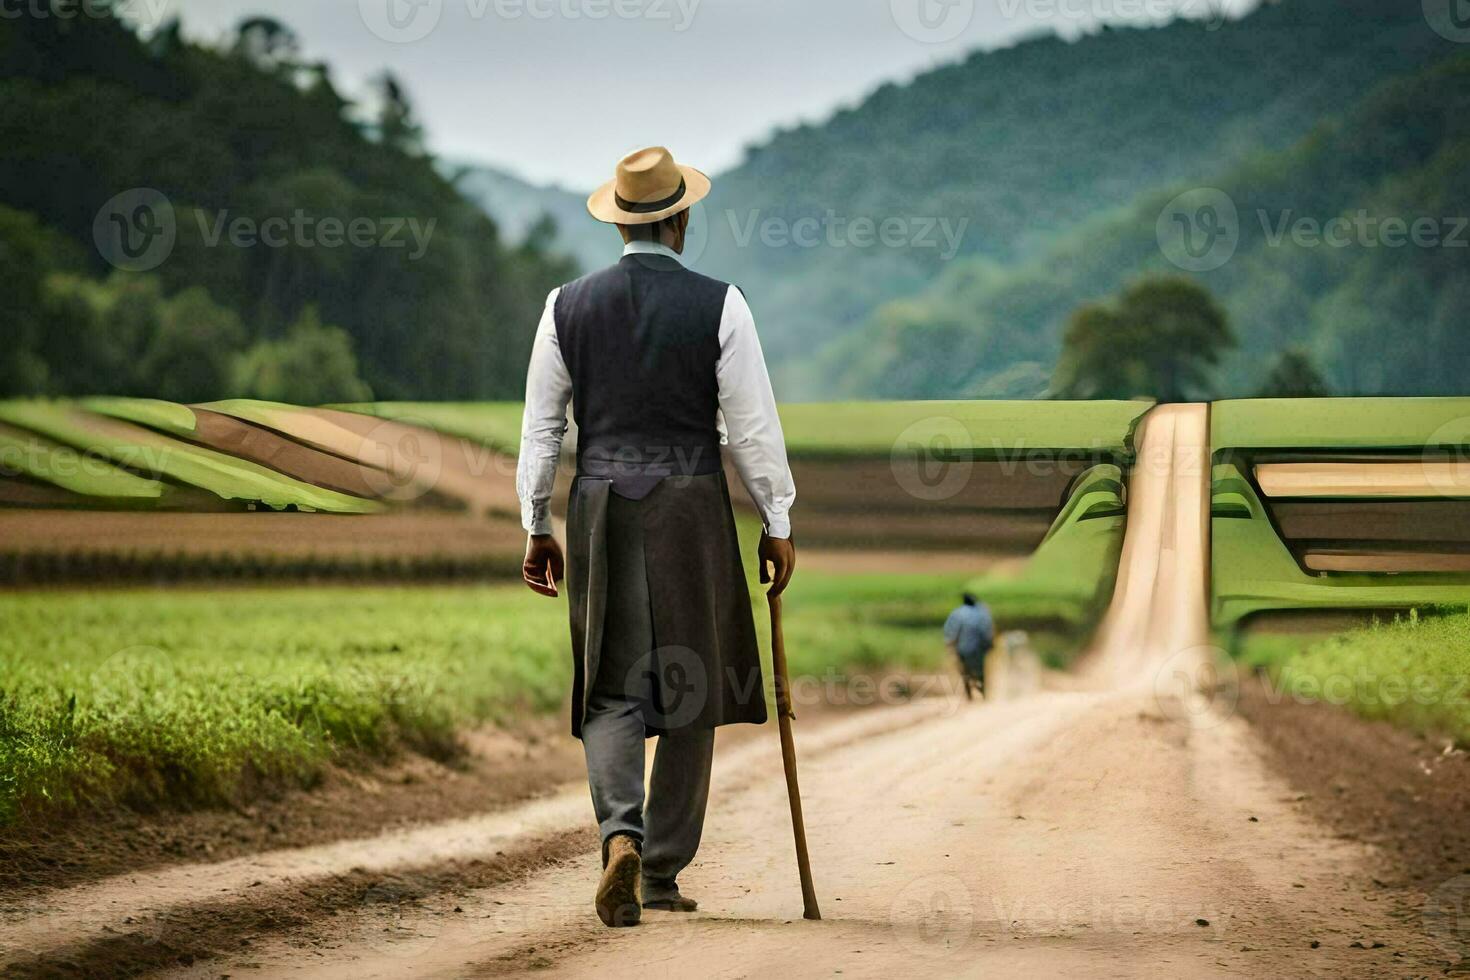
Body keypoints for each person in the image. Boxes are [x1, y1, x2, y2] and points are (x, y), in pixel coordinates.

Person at [516, 147, 797, 928]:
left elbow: (542, 432)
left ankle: (621, 837)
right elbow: (751, 431)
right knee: (694, 684)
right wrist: (778, 522)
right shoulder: (723, 304)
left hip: (600, 502)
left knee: (608, 687)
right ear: (681, 219)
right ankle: (661, 872)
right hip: (691, 506)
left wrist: (536, 524)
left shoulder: (563, 305)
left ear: (619, 222)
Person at [944, 592, 994, 699]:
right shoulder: (981, 613)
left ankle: (969, 695)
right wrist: (989, 643)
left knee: (965, 671)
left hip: (962, 648)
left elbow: (951, 631)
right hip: (978, 649)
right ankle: (982, 691)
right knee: (980, 670)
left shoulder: (957, 614)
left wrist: (950, 643)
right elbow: (986, 630)